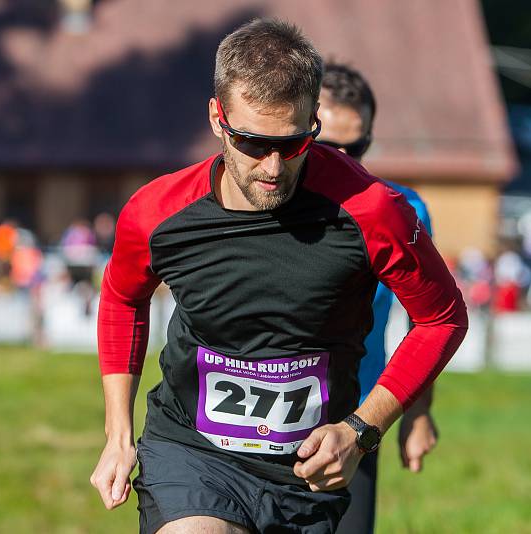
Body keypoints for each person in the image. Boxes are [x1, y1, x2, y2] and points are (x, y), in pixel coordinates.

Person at [90, 19, 468, 534]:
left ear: (313, 121)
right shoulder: (158, 212)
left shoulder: (373, 211)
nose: (271, 166)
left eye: (292, 144)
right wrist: (117, 433)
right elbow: (121, 299)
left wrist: (362, 429)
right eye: (252, 143)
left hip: (310, 470)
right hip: (192, 453)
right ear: (218, 118)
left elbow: (441, 319)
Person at [315, 62, 438, 533]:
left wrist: (419, 413)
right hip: (266, 417)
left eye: (357, 146)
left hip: (358, 416)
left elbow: (425, 321)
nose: (343, 159)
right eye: (327, 147)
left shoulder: (402, 210)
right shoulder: (265, 204)